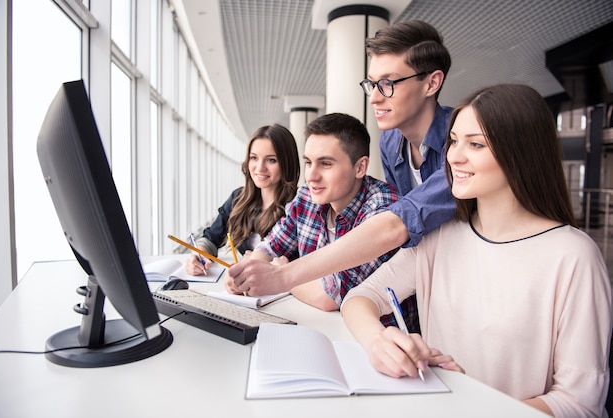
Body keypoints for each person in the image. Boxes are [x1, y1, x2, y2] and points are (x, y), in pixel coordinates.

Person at [340, 84, 612, 417]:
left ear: (521, 152)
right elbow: (360, 298)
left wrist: (473, 409)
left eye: (476, 144)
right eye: (453, 140)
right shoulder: (440, 236)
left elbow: (579, 402)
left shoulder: (573, 256)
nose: (453, 156)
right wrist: (378, 341)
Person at [229, 20, 454, 333]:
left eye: (388, 83)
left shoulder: (460, 142)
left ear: (431, 83)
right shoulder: (390, 141)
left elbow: (398, 221)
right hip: (419, 276)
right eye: (372, 84)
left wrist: (283, 275)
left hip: (464, 277)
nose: (375, 97)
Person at [226, 113, 398, 312]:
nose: (311, 176)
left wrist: (277, 273)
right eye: (308, 162)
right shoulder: (307, 197)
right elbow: (271, 246)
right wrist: (246, 276)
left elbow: (329, 297)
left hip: (375, 336)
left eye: (325, 164)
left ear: (360, 167)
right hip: (319, 325)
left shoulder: (381, 208)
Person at [185, 124, 300, 276]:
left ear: (287, 163)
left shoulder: (300, 206)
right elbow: (211, 238)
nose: (260, 168)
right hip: (244, 290)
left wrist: (260, 262)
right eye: (254, 158)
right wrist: (198, 255)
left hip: (286, 294)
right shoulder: (238, 198)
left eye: (271, 160)